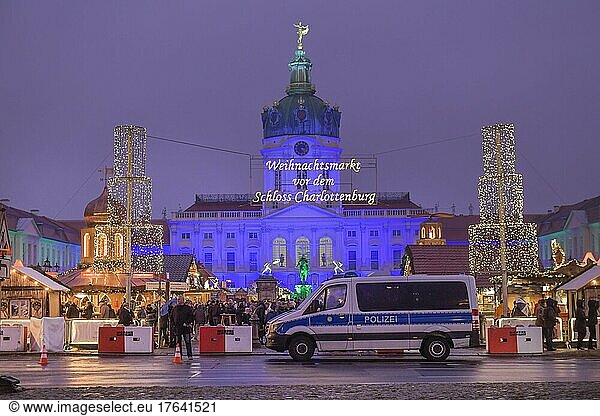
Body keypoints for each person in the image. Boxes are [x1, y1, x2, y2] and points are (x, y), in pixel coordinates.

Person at [172, 295, 194, 360]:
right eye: (177, 299)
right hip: (178, 328)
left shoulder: (187, 308)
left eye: (179, 299)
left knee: (188, 341)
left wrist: (187, 323)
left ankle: (189, 355)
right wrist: (173, 326)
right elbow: (172, 317)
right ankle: (179, 355)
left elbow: (191, 316)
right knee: (178, 343)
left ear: (183, 300)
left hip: (186, 328)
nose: (178, 301)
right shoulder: (175, 308)